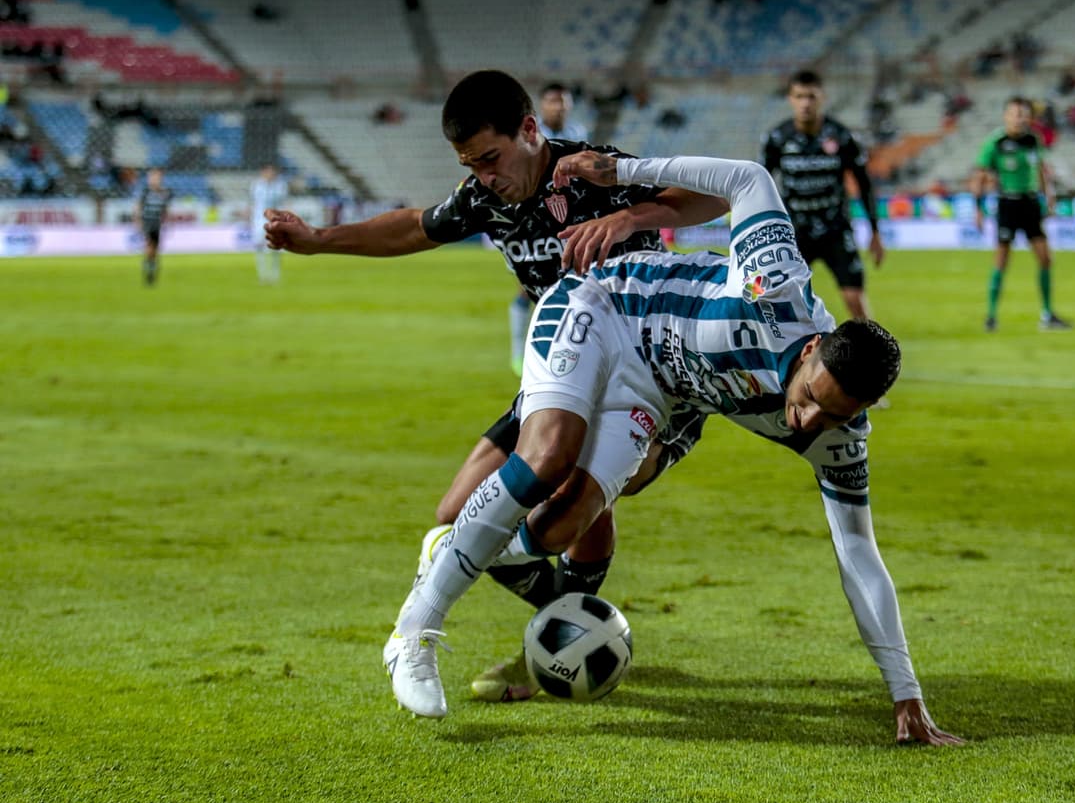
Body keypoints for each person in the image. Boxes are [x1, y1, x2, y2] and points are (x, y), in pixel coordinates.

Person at [387, 149, 963, 747]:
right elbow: (749, 178)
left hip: (654, 392)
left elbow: (859, 555)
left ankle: (459, 550)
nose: (807, 419)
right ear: (814, 347)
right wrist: (624, 180)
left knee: (561, 527)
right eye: (812, 395)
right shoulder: (777, 286)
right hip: (604, 304)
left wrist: (906, 693)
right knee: (547, 455)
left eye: (834, 415)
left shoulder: (838, 435)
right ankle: (414, 634)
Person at [264, 69, 727, 701]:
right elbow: (412, 228)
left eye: (491, 157)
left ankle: (552, 639)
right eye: (470, 164)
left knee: (578, 497)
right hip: (561, 368)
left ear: (530, 130)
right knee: (454, 516)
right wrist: (318, 241)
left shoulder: (590, 170)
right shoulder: (485, 198)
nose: (484, 175)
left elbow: (713, 199)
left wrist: (628, 218)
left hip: (649, 373)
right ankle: (565, 623)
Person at [762, 70, 885, 323]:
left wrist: (875, 231)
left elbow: (864, 184)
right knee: (772, 297)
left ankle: (872, 358)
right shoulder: (778, 138)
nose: (805, 103)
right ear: (790, 99)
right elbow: (760, 183)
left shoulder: (841, 137)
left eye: (811, 96)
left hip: (835, 229)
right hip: (794, 232)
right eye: (799, 96)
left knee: (854, 299)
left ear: (822, 98)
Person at [503, 83, 593, 376]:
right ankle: (520, 352)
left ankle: (569, 349)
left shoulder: (578, 133)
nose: (558, 107)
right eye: (553, 101)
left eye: (563, 101)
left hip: (569, 219)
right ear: (541, 106)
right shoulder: (529, 135)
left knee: (574, 283)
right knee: (528, 287)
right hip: (533, 219)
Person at [972, 96, 1072, 332]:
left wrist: (1049, 197)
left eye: (1023, 114)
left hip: (1030, 204)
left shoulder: (1032, 140)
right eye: (1015, 114)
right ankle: (991, 316)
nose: (1020, 118)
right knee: (1002, 260)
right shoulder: (995, 143)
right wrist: (978, 208)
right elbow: (979, 176)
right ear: (1005, 116)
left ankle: (1047, 315)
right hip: (1008, 203)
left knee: (1045, 259)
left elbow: (1040, 170)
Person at [249, 164, 289, 284]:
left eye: (272, 172)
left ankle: (275, 275)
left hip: (275, 219)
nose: (270, 174)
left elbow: (284, 202)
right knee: (259, 246)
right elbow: (253, 202)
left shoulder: (281, 185)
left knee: (276, 247)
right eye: (267, 172)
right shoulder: (256, 185)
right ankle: (262, 275)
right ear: (263, 172)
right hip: (259, 219)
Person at [134, 168, 172, 286]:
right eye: (152, 177)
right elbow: (138, 207)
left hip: (157, 223)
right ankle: (149, 272)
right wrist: (138, 221)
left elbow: (165, 209)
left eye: (156, 177)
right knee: (149, 246)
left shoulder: (164, 193)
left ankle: (151, 269)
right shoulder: (145, 192)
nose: (154, 179)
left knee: (155, 250)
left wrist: (167, 220)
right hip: (147, 222)